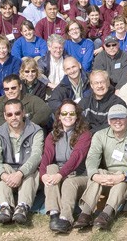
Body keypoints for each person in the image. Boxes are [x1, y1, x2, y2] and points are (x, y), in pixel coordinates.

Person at [74, 104, 127, 231]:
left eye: (121, 118)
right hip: (107, 174)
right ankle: (85, 213)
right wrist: (95, 175)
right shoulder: (100, 135)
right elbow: (92, 158)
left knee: (121, 183)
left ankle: (106, 214)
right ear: (108, 120)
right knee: (97, 174)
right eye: (113, 118)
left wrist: (123, 176)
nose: (117, 121)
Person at [39, 100, 93, 233]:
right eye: (64, 113)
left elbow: (75, 159)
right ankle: (54, 213)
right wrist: (43, 174)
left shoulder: (85, 135)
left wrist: (60, 175)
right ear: (59, 116)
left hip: (79, 176)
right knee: (50, 168)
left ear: (77, 116)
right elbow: (46, 156)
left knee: (69, 182)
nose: (67, 116)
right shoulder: (53, 135)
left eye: (71, 113)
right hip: (59, 175)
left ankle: (66, 218)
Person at [0, 98, 44, 225]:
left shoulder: (36, 130)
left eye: (17, 113)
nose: (13, 117)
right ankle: (5, 207)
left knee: (32, 171)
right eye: (9, 114)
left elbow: (36, 156)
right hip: (9, 173)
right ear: (5, 116)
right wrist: (4, 175)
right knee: (1, 169)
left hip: (27, 173)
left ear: (23, 113)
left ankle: (22, 207)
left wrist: (20, 173)